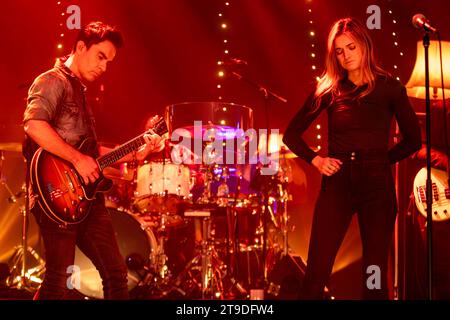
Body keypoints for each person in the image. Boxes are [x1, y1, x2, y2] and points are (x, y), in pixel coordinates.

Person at [23, 21, 165, 299]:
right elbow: (34, 125)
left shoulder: (81, 93)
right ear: (80, 47)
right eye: (101, 56)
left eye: (109, 62)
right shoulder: (52, 80)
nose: (104, 67)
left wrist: (138, 153)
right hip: (55, 194)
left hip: (86, 200)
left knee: (116, 273)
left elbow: (92, 156)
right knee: (58, 279)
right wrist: (77, 160)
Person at [283, 17, 421, 299]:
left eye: (351, 47)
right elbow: (292, 135)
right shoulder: (329, 89)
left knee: (374, 273)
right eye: (339, 51)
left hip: (376, 184)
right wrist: (316, 160)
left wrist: (382, 160)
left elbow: (414, 140)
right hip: (339, 182)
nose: (345, 55)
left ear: (364, 46)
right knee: (317, 270)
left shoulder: (390, 88)